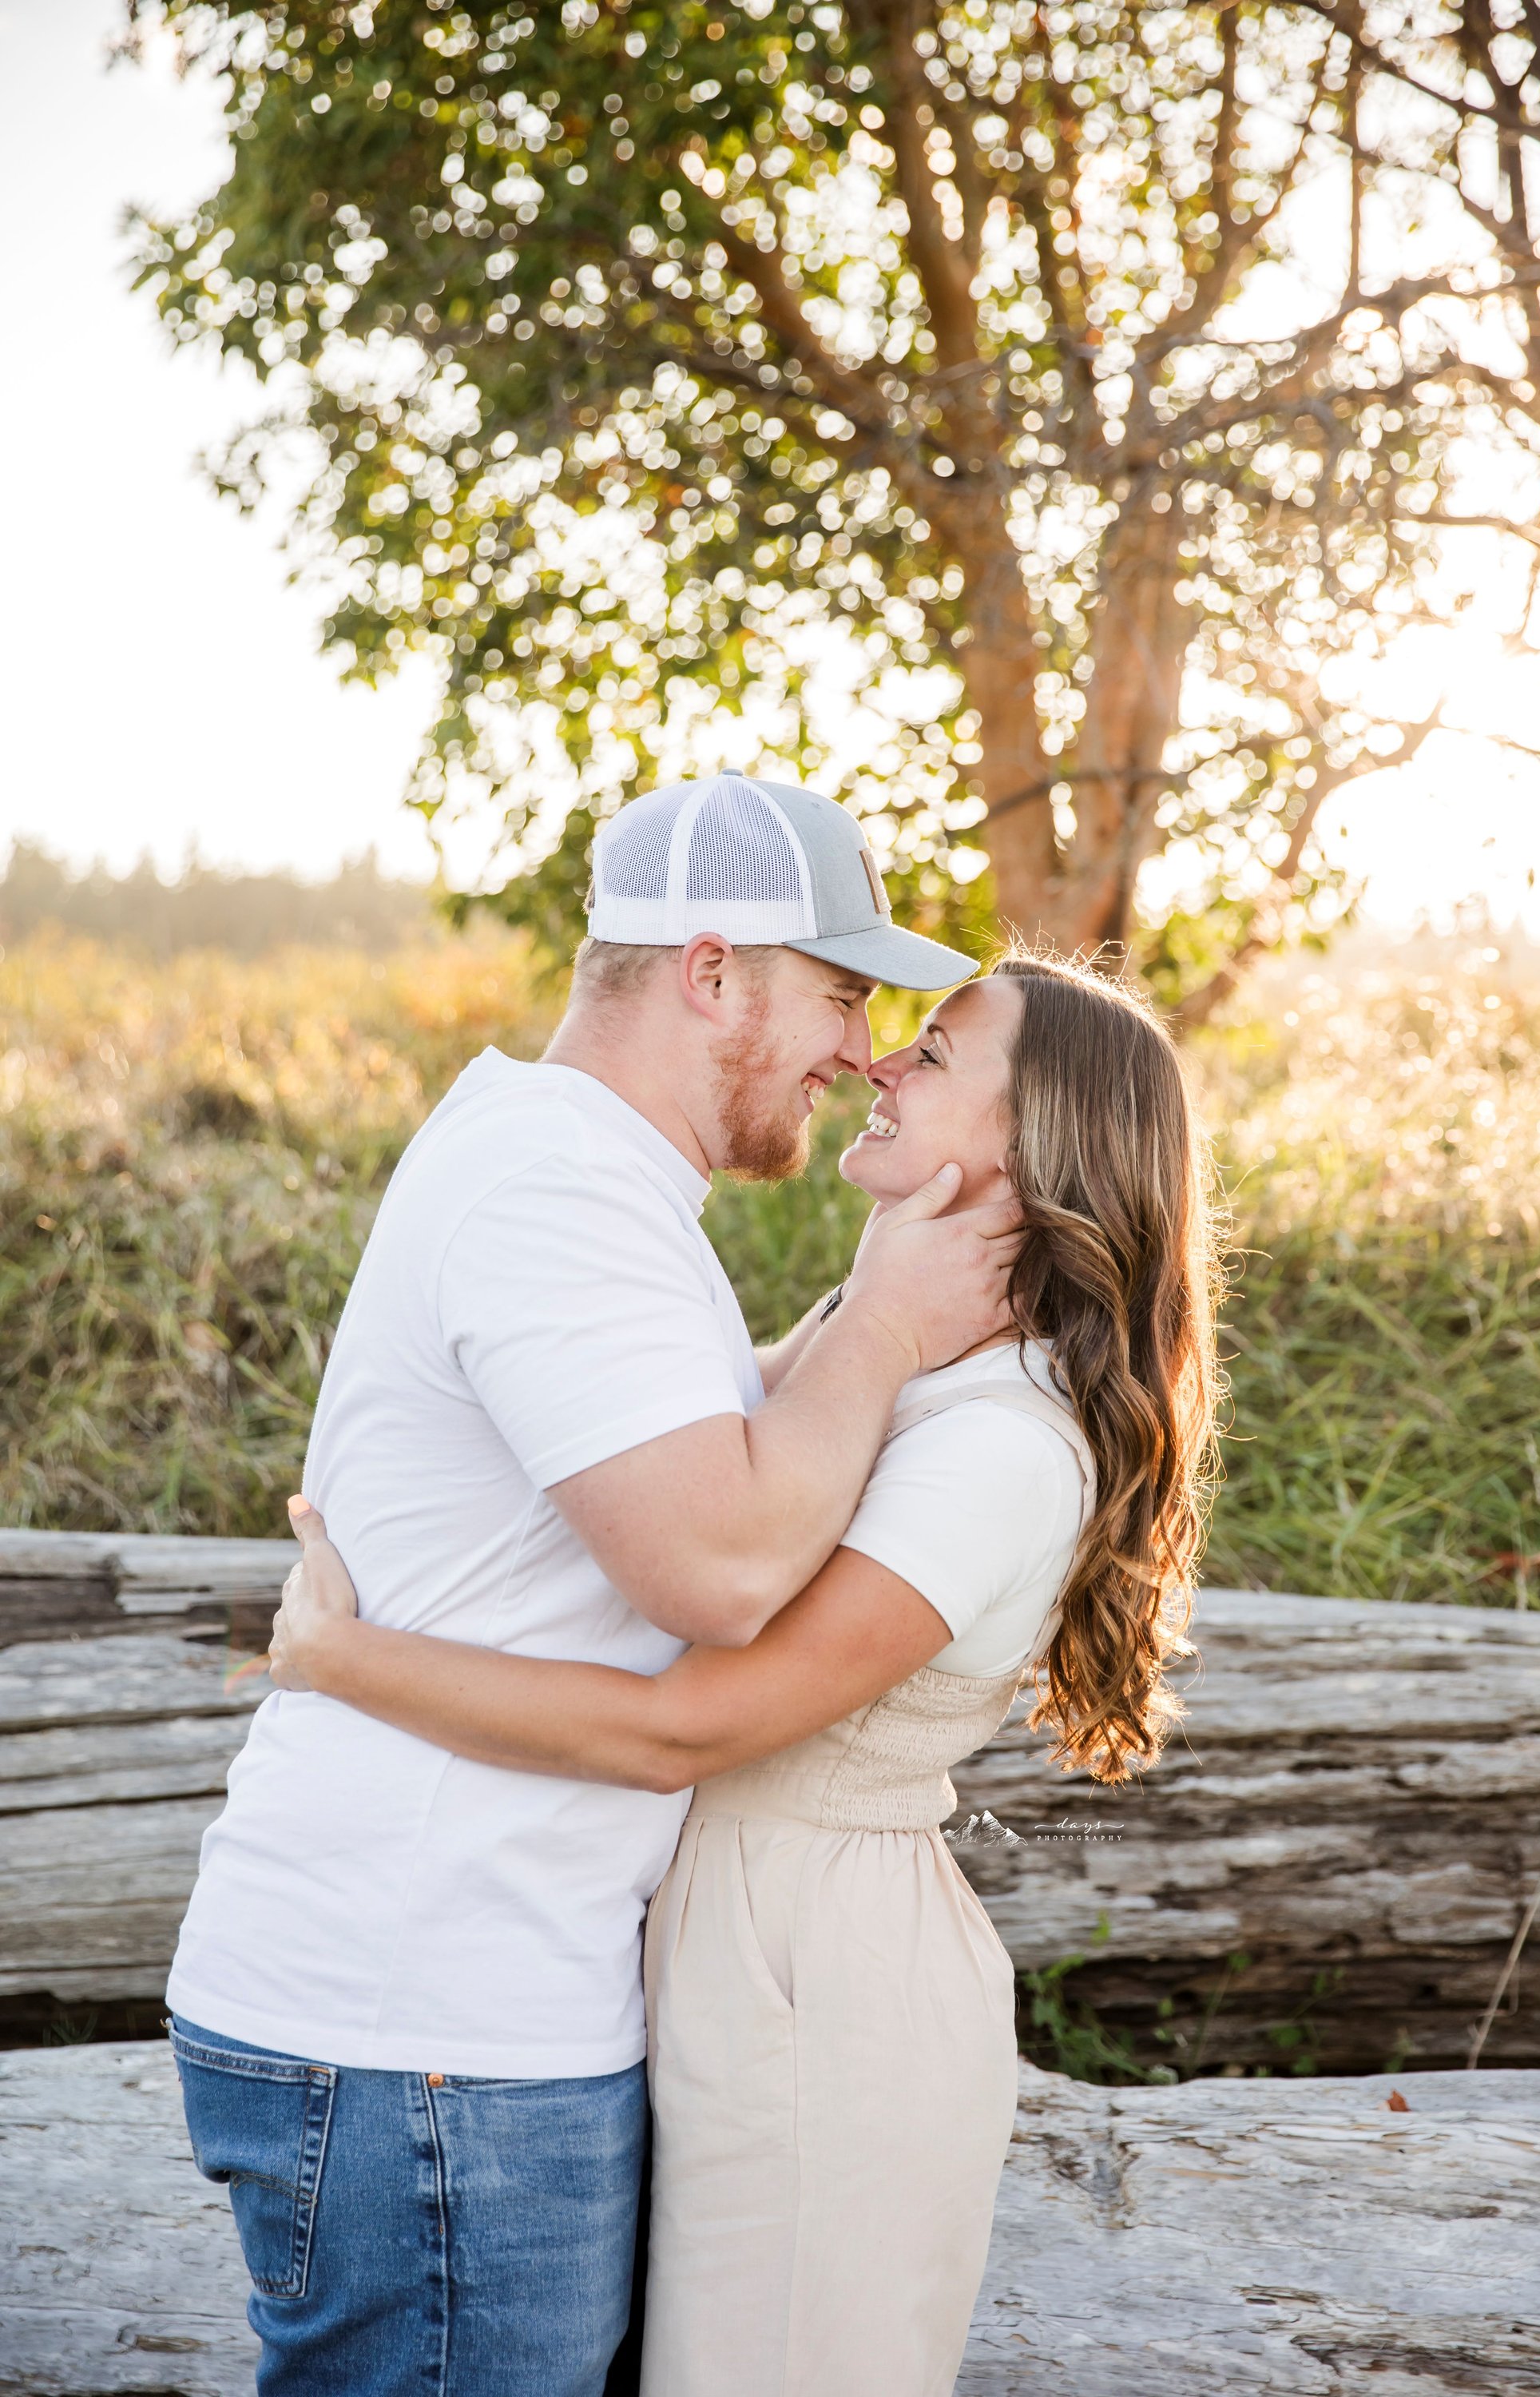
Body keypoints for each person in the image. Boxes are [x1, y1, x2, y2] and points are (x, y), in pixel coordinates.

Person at [165, 772, 1019, 2397]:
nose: (859, 1049)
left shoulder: (573, 1167)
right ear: (711, 972)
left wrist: (873, 1316)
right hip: (426, 2024)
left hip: (451, 2017)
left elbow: (702, 1444)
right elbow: (721, 1564)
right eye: (838, 994)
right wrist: (889, 1324)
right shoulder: (556, 1191)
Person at [268, 948, 1220, 2397]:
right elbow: (706, 1435)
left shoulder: (999, 1446)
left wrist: (345, 1658)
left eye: (934, 1053)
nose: (880, 1061)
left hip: (821, 1983)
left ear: (1037, 1144)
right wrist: (872, 1307)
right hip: (741, 1957)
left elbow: (682, 1728)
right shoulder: (909, 1359)